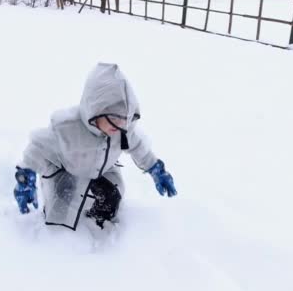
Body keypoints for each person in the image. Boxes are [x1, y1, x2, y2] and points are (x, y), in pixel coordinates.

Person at [14, 62, 177, 230]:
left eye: (124, 118)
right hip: (66, 169)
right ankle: (62, 240)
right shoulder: (67, 128)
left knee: (110, 201)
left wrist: (156, 169)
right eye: (113, 117)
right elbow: (37, 148)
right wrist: (25, 178)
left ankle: (96, 226)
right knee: (60, 215)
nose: (119, 124)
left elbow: (139, 148)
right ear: (95, 110)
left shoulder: (122, 130)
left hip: (100, 169)